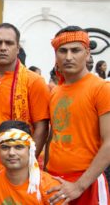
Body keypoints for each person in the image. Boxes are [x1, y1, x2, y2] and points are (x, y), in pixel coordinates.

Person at [45, 26, 110, 204]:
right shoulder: (55, 92)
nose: (68, 57)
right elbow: (53, 137)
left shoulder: (101, 89)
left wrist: (79, 186)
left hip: (87, 183)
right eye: (62, 51)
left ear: (87, 54)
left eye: (76, 50)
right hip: (54, 182)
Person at [0, 23, 50, 164]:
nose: (3, 48)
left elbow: (42, 128)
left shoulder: (34, 81)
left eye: (9, 43)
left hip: (18, 167)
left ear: (18, 48)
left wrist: (28, 162)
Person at [0, 120, 62, 204]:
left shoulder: (50, 187)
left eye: (18, 147)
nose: (11, 153)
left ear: (30, 149)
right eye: (5, 147)